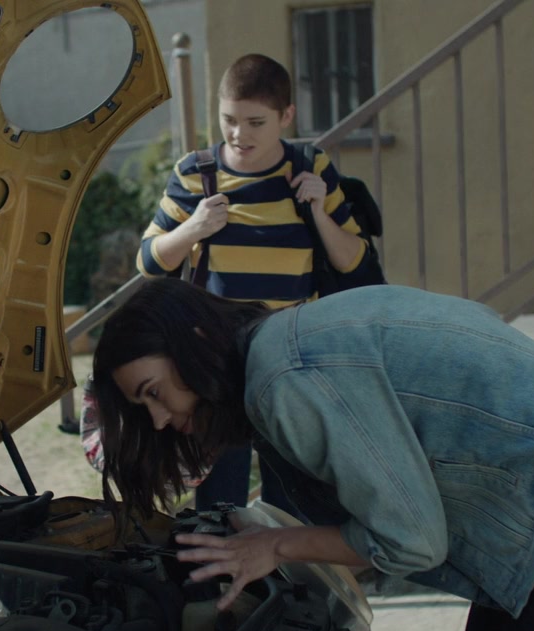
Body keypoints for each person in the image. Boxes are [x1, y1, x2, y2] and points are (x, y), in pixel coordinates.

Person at [90, 277, 534, 631]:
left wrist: (276, 546)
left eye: (153, 393)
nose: (159, 420)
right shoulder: (284, 344)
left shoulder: (281, 378)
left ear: (194, 340)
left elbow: (410, 541)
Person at [130, 52, 383, 510]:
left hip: (293, 363)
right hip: (217, 364)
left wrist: (320, 213)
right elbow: (148, 261)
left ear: (286, 116)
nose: (238, 134)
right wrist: (193, 228)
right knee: (219, 507)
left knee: (292, 504)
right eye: (228, 120)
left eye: (255, 122)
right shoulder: (196, 173)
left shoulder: (310, 167)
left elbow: (355, 263)